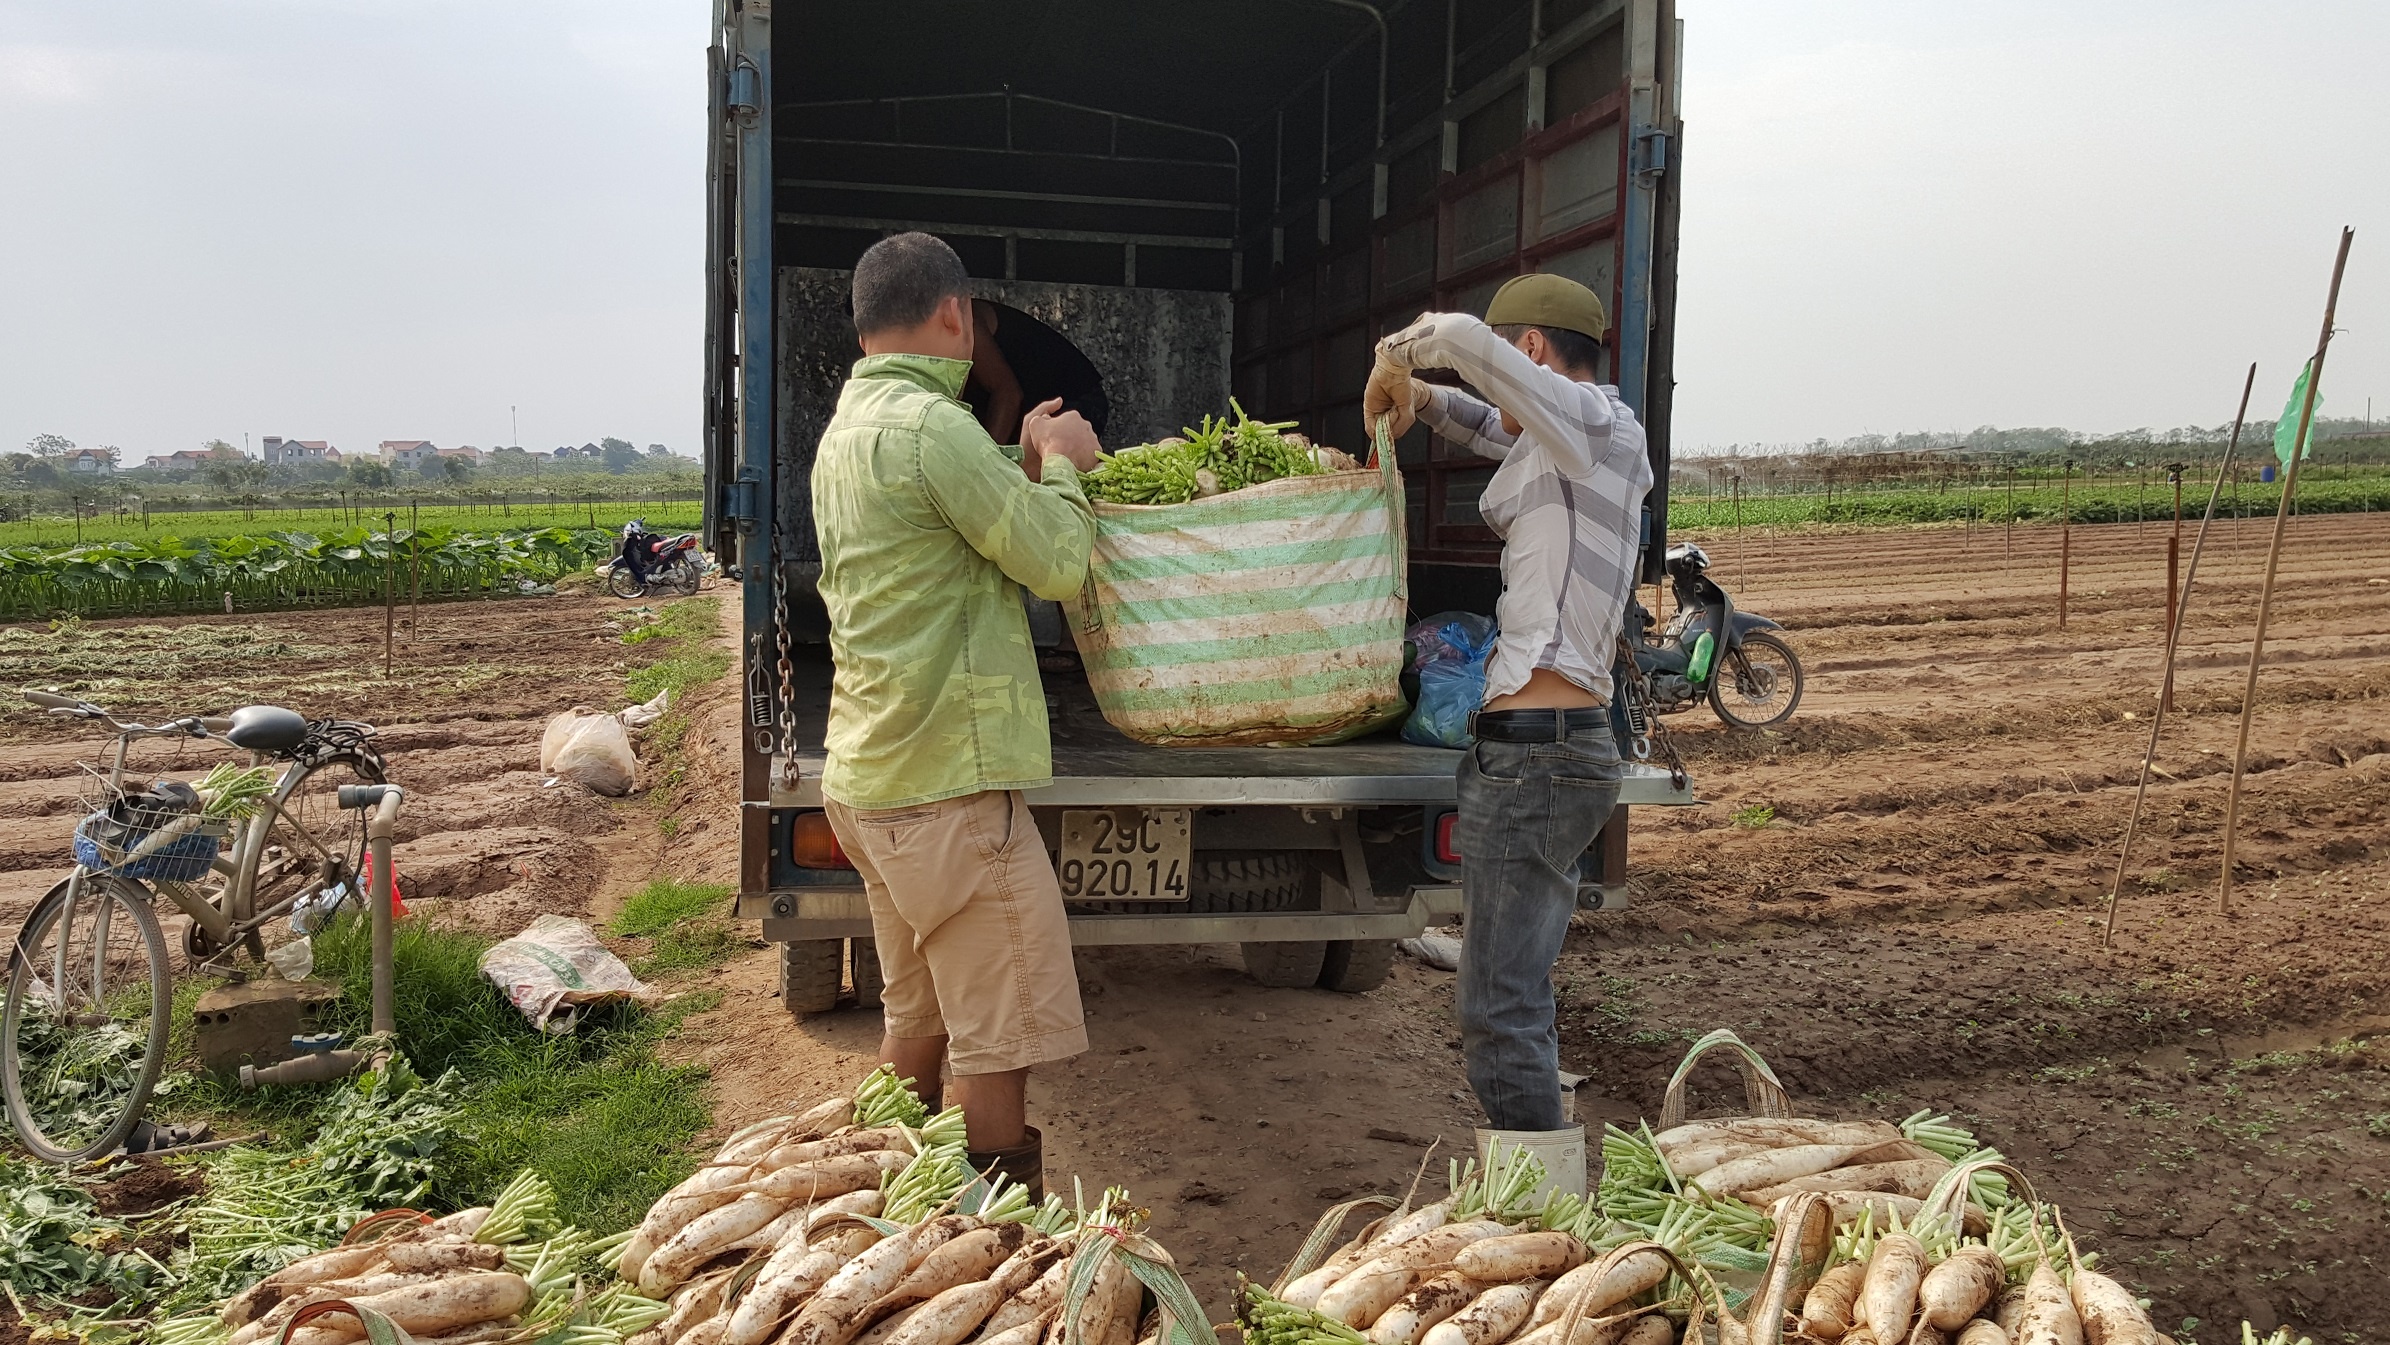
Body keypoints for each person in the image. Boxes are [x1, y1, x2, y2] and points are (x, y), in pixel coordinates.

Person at [809, 232, 1104, 1194]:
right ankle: (991, 1246)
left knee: (920, 1016)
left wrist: (1017, 467)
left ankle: (883, 1201)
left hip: (873, 778)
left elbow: (956, 545)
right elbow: (1058, 565)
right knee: (997, 1031)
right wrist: (1060, 463)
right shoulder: (935, 433)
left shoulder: (846, 433)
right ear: (956, 316)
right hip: (948, 791)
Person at [1363, 273, 1654, 1191]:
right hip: (1532, 750)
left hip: (1543, 753)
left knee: (1499, 1000)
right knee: (1509, 989)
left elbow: (1454, 334)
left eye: (1509, 362)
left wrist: (1398, 355)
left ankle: (1547, 1219)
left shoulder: (1601, 428)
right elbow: (1491, 424)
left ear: (1529, 352)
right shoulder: (1558, 444)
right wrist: (1421, 400)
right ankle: (1546, 1210)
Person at [962, 299, 1111, 444]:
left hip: (1074, 401)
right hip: (1023, 413)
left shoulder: (968, 324)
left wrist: (988, 461)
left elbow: (1009, 395)